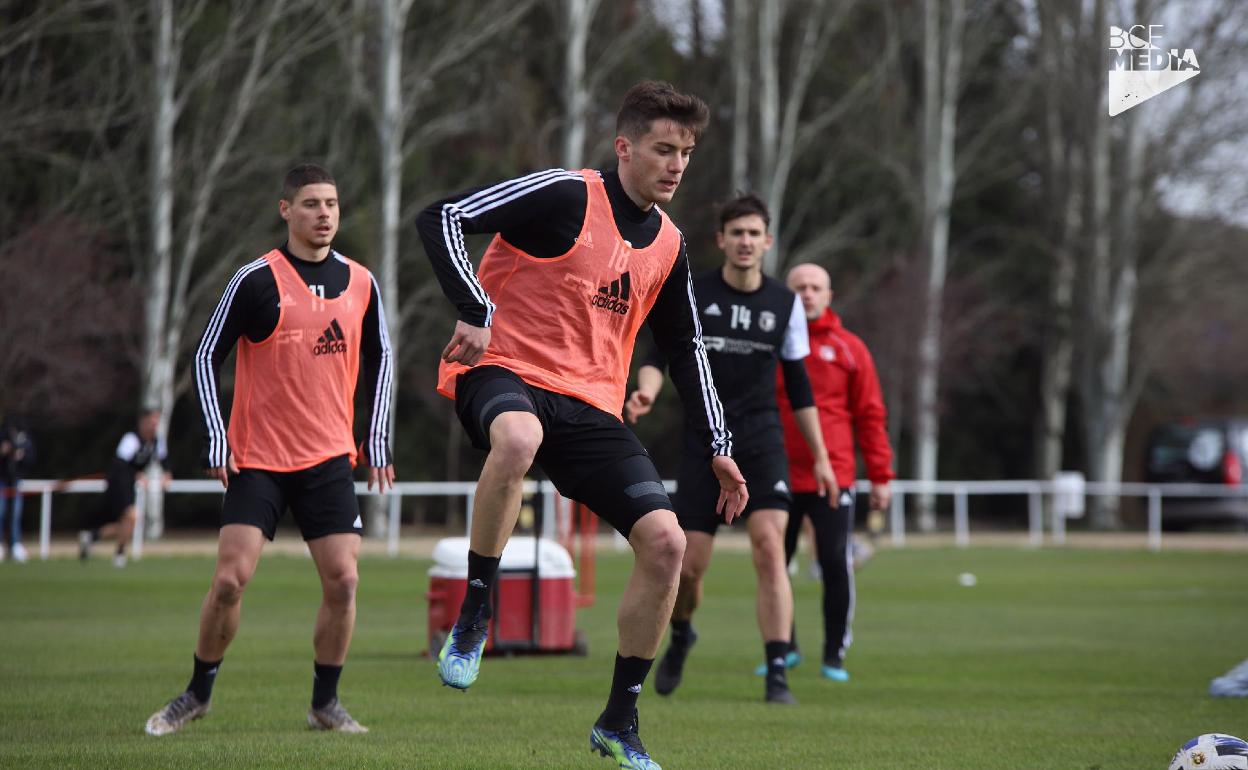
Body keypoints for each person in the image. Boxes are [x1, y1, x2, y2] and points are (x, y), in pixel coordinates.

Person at [416, 81, 747, 769]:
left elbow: (687, 349)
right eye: (663, 149)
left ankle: (618, 723)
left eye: (686, 152)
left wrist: (719, 446)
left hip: (590, 405)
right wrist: (474, 307)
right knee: (517, 438)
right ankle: (477, 611)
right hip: (503, 370)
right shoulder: (567, 194)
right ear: (624, 147)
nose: (677, 164)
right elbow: (440, 217)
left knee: (666, 545)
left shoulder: (671, 247)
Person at [144, 164, 395, 737]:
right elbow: (206, 355)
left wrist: (375, 437)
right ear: (286, 211)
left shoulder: (362, 283)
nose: (324, 213)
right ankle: (197, 693)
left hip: (329, 459)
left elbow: (383, 359)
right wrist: (216, 433)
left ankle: (324, 704)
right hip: (258, 460)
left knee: (345, 581)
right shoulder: (256, 279)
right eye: (311, 203)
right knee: (230, 580)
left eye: (331, 203)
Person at [626, 194, 837, 706]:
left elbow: (800, 388)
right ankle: (681, 634)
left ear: (768, 242)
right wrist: (648, 389)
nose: (745, 242)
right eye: (735, 233)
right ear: (721, 240)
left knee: (770, 548)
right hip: (703, 441)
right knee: (690, 567)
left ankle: (777, 673)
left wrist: (823, 458)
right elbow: (658, 352)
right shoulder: (693, 291)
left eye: (754, 233)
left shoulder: (784, 306)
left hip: (762, 441)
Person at [777, 262, 894, 682]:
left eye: (816, 287)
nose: (807, 294)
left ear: (829, 295)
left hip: (835, 475)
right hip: (778, 473)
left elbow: (870, 416)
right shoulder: (772, 346)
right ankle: (782, 648)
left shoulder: (850, 349)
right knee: (775, 564)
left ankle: (833, 655)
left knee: (834, 563)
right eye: (799, 287)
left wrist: (881, 477)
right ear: (786, 294)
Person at [79, 409, 167, 568]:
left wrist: (167, 474)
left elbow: (164, 459)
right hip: (118, 484)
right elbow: (120, 464)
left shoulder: (156, 441)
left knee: (128, 522)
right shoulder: (131, 439)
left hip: (129, 485)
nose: (155, 425)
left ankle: (92, 537)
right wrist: (137, 474)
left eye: (157, 421)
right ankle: (119, 553)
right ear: (143, 422)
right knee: (132, 518)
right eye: (152, 421)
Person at [0, 415, 35, 563]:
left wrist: (21, 455)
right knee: (0, 513)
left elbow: (30, 459)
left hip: (15, 481)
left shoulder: (24, 439)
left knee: (15, 515)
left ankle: (15, 545)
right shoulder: (2, 437)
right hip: (1, 480)